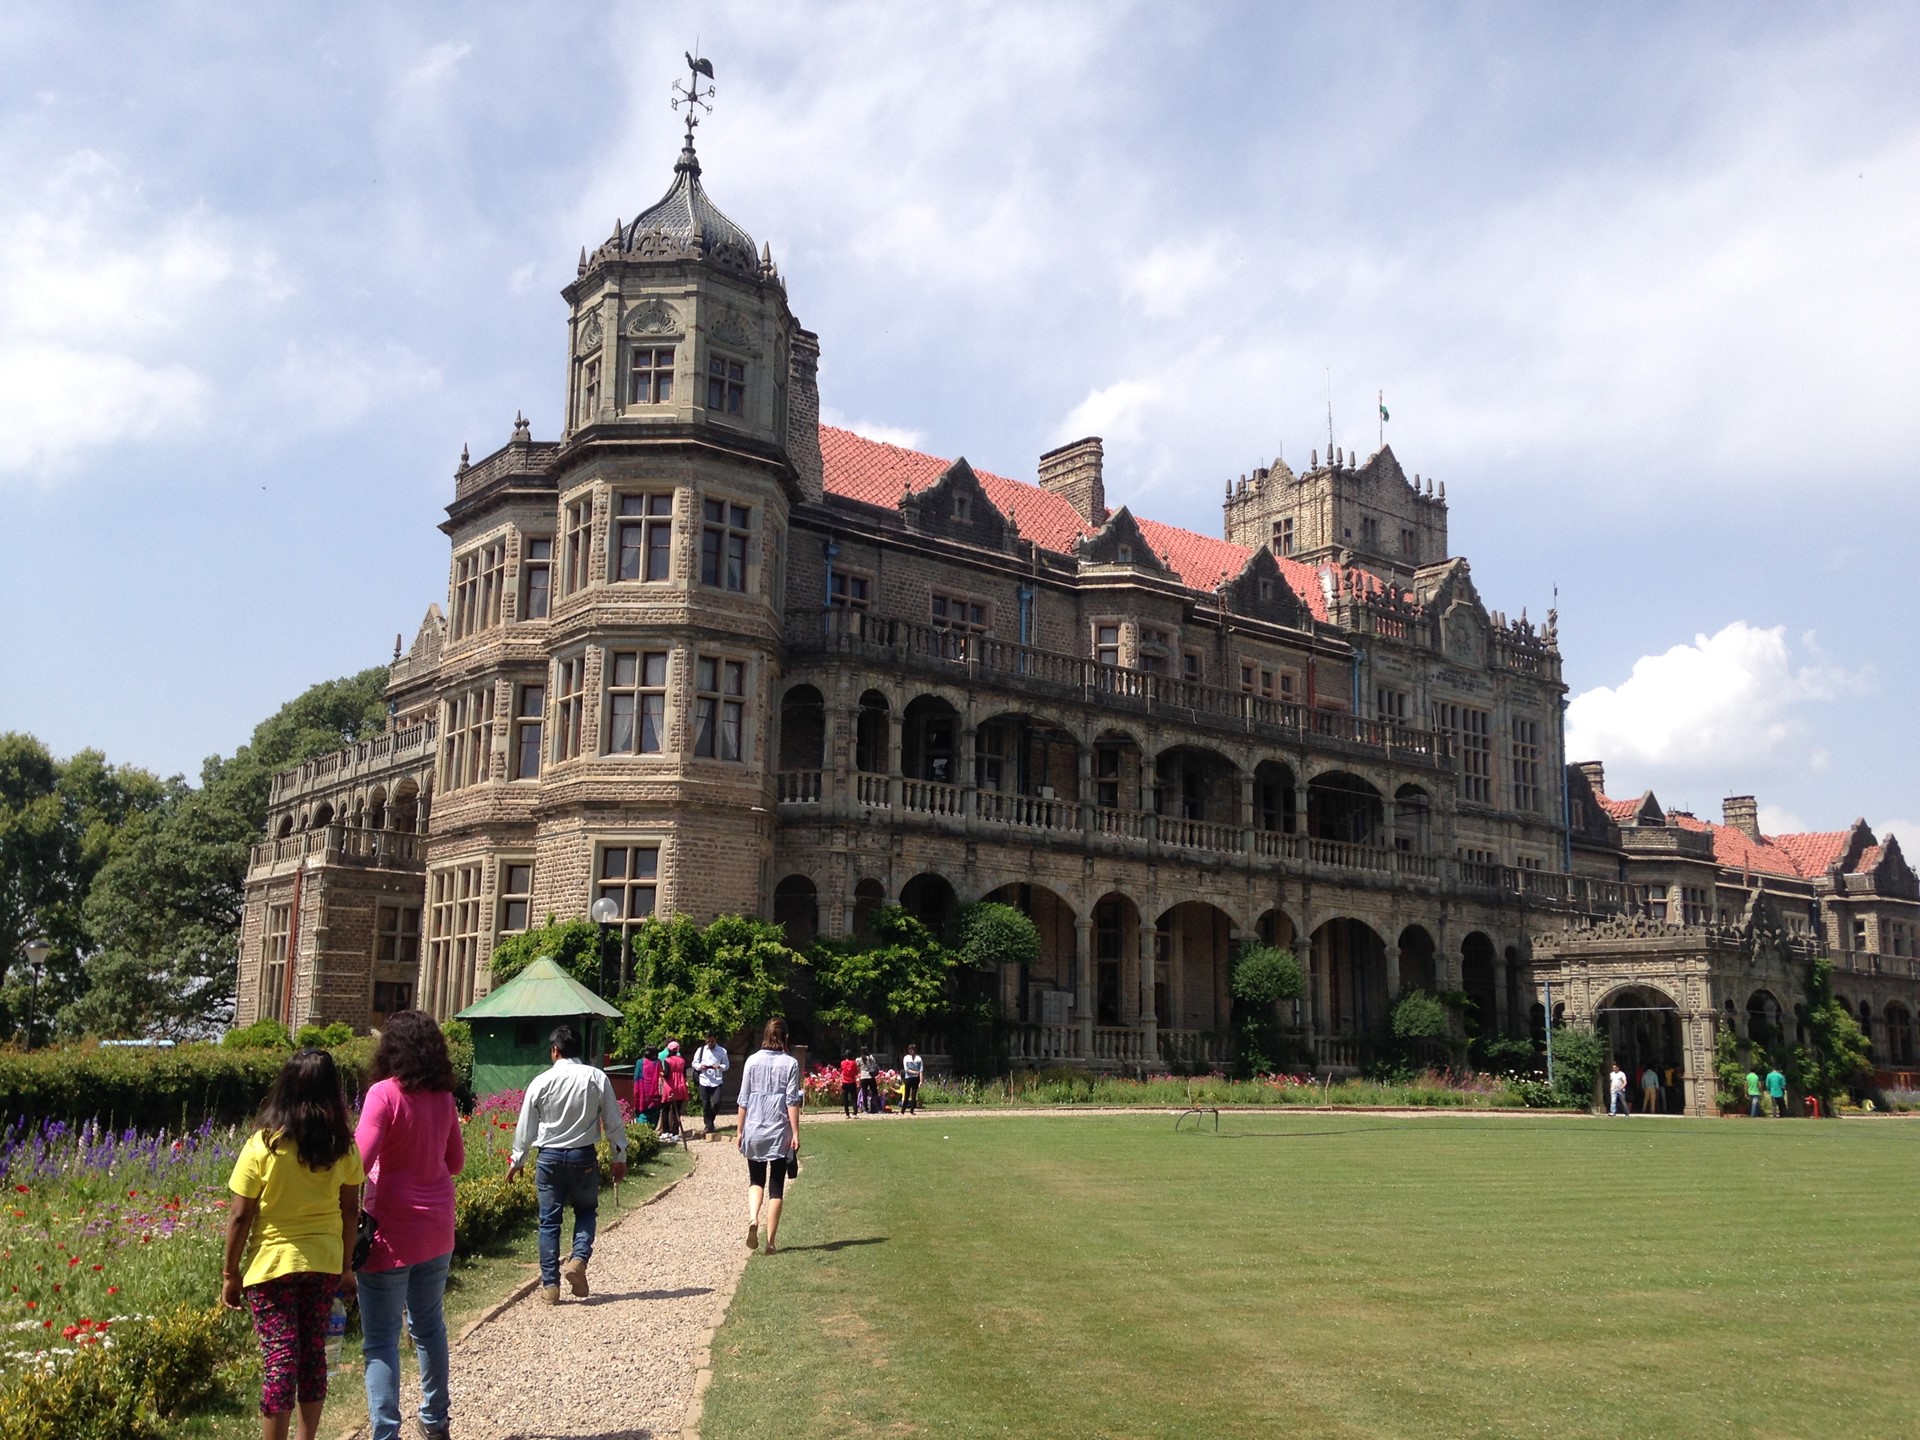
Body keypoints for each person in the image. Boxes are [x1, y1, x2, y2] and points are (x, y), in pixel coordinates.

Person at [222, 1048, 364, 1440]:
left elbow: (240, 1216)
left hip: (271, 1267)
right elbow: (350, 1211)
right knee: (313, 1355)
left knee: (281, 1360)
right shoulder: (343, 1147)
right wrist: (346, 1267)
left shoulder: (262, 1146)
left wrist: (231, 1273)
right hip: (323, 1263)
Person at [355, 1010, 464, 1440]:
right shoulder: (444, 1096)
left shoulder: (383, 1094)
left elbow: (358, 1163)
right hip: (437, 1227)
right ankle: (435, 1420)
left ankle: (386, 1433)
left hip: (391, 1230)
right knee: (429, 1325)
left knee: (381, 1339)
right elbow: (455, 1162)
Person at [506, 1025, 628, 1303]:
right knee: (585, 1210)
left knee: (549, 1221)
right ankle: (578, 1259)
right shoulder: (596, 1077)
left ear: (555, 1050)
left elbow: (526, 1126)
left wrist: (517, 1159)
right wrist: (619, 1157)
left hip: (549, 1158)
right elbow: (613, 1121)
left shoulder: (541, 1082)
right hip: (583, 1157)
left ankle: (550, 1285)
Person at [737, 1018, 804, 1255]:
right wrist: (795, 1132)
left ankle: (753, 1218)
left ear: (765, 1035)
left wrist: (739, 1130)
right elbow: (792, 1101)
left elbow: (743, 1099)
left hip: (754, 1128)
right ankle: (770, 1243)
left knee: (756, 1180)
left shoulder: (752, 1061)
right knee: (776, 1187)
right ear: (785, 1037)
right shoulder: (790, 1063)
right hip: (778, 1131)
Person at [693, 1031, 731, 1141]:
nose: (710, 1043)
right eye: (708, 1041)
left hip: (716, 1080)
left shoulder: (722, 1051)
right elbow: (694, 1063)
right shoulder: (700, 1050)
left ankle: (710, 1121)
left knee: (717, 1102)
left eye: (712, 1041)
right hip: (704, 1080)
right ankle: (708, 1126)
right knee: (705, 1105)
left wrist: (719, 1066)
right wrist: (700, 1066)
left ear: (716, 1039)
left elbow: (727, 1065)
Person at [659, 1039, 690, 1144]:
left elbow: (667, 1074)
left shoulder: (667, 1061)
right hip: (680, 1085)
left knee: (665, 1109)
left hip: (670, 1086)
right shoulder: (682, 1060)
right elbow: (684, 1074)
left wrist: (662, 1074)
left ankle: (666, 1131)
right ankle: (675, 1133)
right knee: (677, 1110)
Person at [635, 1049, 662, 1131]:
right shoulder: (658, 1062)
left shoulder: (640, 1062)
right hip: (655, 1093)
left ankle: (643, 1131)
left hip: (642, 1093)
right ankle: (651, 1131)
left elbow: (636, 1078)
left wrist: (636, 1093)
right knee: (654, 1113)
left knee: (642, 1112)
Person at [901, 1044, 924, 1114]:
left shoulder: (918, 1058)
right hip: (908, 1078)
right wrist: (916, 1072)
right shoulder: (906, 1058)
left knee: (914, 1095)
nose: (910, 1051)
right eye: (909, 1050)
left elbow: (921, 1070)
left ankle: (912, 1110)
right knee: (906, 1095)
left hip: (915, 1079)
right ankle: (903, 1110)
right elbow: (906, 1069)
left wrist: (921, 1081)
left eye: (911, 1049)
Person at [858, 1048, 880, 1116]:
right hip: (871, 1076)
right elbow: (874, 1065)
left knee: (864, 1093)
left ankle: (866, 1109)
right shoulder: (871, 1058)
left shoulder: (859, 1059)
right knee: (875, 1092)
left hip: (863, 1076)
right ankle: (879, 1108)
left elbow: (858, 1067)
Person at [839, 1053, 859, 1118]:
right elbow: (856, 1072)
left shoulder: (842, 1063)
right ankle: (855, 1112)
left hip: (845, 1082)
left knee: (845, 1098)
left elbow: (842, 1070)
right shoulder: (853, 1063)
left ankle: (847, 1113)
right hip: (852, 1082)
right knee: (854, 1098)